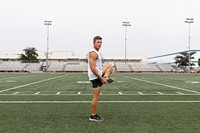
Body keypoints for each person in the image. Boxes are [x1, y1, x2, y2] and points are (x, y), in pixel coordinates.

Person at [88, 35, 114, 122]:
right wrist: (101, 78)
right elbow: (92, 68)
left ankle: (106, 77)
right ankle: (93, 115)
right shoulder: (93, 53)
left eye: (101, 42)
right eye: (98, 42)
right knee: (96, 97)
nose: (99, 44)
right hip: (95, 77)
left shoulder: (98, 52)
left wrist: (104, 76)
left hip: (99, 74)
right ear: (94, 43)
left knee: (110, 66)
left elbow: (98, 66)